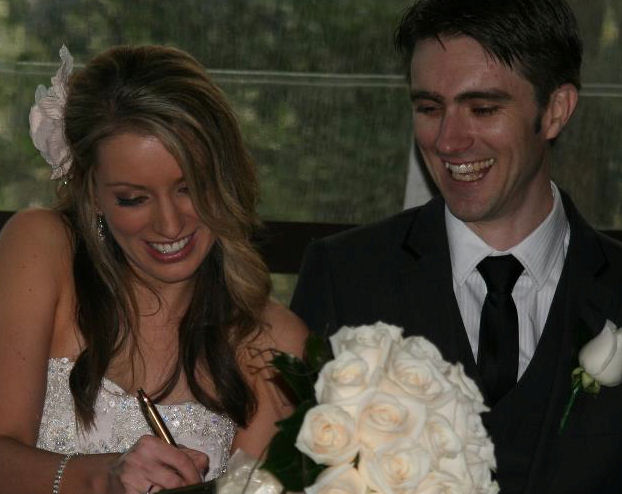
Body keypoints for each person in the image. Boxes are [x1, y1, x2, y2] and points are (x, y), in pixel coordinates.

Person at [291, 0, 622, 492]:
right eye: (429, 108)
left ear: (555, 111)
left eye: (483, 108)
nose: (448, 141)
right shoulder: (344, 275)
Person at [0, 45, 307, 494]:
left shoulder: (273, 342)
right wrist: (100, 479)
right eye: (133, 198)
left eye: (190, 188)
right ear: (93, 194)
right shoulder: (41, 249)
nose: (169, 224)